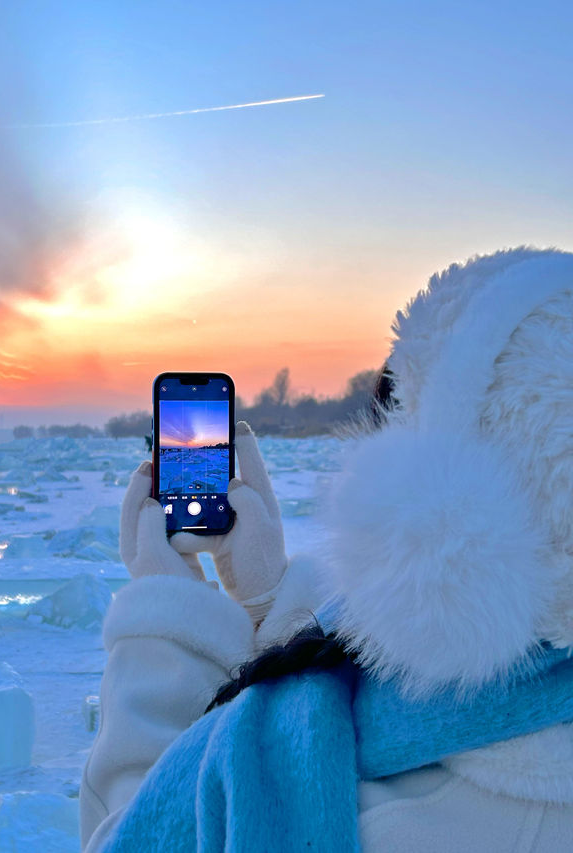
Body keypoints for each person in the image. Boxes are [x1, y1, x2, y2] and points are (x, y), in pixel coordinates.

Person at [80, 246, 573, 852]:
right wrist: (268, 604)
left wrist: (163, 624)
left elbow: (138, 831)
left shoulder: (395, 820)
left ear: (443, 519)